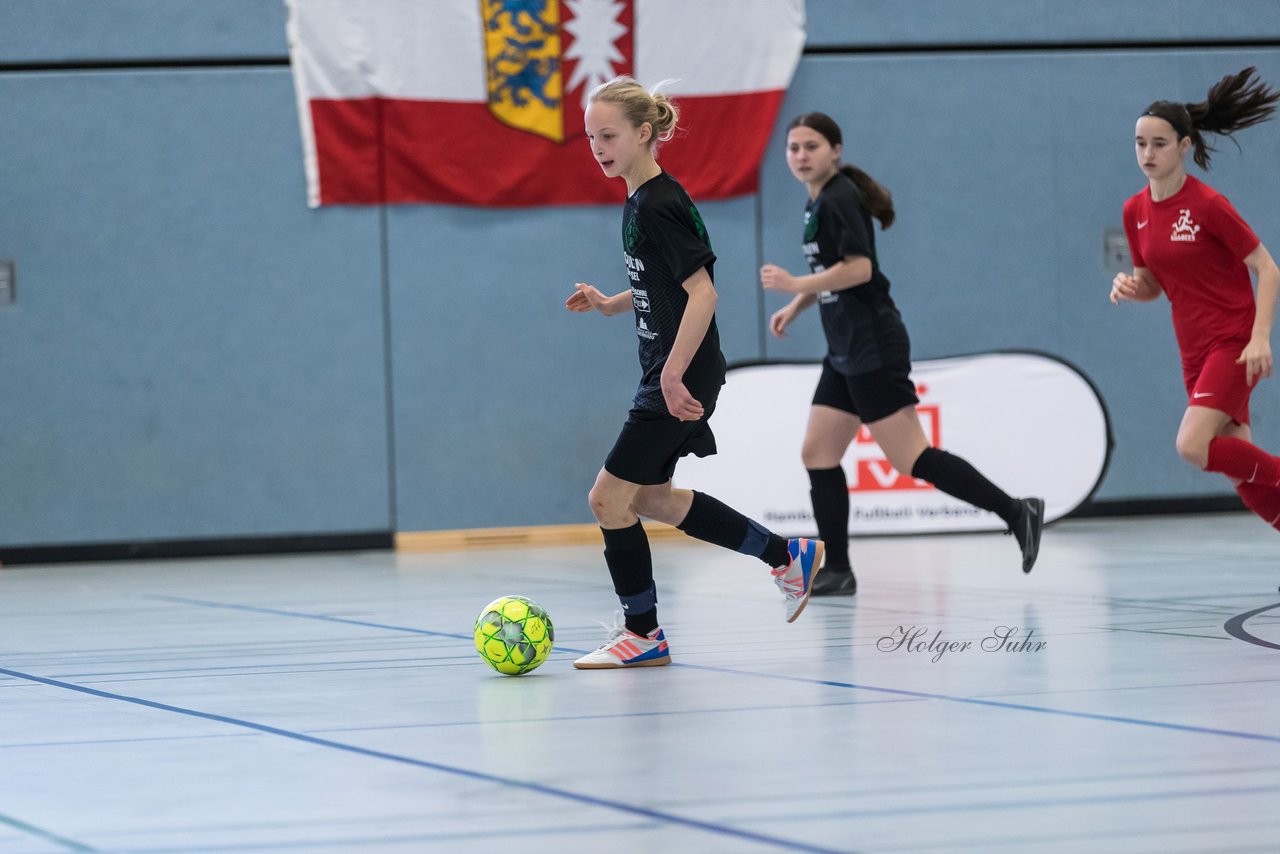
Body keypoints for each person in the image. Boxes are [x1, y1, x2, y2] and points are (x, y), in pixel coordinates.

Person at [565, 77, 824, 669]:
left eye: (608, 135)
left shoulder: (659, 202)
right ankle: (786, 556)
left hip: (677, 373)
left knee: (607, 500)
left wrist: (674, 376)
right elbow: (661, 284)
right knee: (650, 498)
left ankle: (644, 634)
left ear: (644, 133)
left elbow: (703, 294)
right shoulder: (640, 200)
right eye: (590, 137)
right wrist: (612, 303)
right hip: (673, 370)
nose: (598, 147)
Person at [761, 112, 1045, 596]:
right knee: (819, 452)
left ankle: (1017, 510)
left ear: (835, 150)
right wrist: (797, 304)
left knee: (911, 457)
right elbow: (832, 269)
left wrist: (796, 283)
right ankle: (839, 570)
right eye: (794, 148)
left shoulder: (840, 197)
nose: (802, 156)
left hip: (873, 345)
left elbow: (858, 269)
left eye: (812, 146)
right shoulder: (816, 203)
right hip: (843, 347)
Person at [1112, 67, 1280, 529]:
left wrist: (1259, 338)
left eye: (1159, 144)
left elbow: (1268, 269)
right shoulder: (1135, 211)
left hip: (1233, 342)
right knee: (1244, 477)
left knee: (1192, 446)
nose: (1148, 153)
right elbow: (1152, 284)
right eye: (1140, 143)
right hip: (1194, 350)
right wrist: (1130, 287)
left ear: (1184, 147)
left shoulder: (1208, 205)